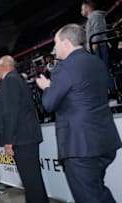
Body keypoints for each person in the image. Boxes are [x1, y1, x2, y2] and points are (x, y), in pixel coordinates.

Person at [36, 23, 122, 203]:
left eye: (56, 44)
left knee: (89, 197)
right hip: (104, 141)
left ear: (66, 43)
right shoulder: (96, 62)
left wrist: (47, 88)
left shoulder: (63, 68)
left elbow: (49, 104)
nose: (54, 49)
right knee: (97, 192)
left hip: (80, 147)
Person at [0, 55, 49, 203]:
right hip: (25, 137)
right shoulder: (16, 80)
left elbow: (11, 112)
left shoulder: (10, 81)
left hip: (21, 139)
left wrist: (9, 140)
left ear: (3, 66)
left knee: (31, 182)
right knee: (32, 181)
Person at [81, 0, 109, 65]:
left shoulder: (96, 16)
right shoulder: (91, 19)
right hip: (95, 48)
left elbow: (98, 33)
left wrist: (92, 49)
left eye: (82, 9)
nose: (81, 12)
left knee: (102, 69)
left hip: (98, 48)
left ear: (87, 7)